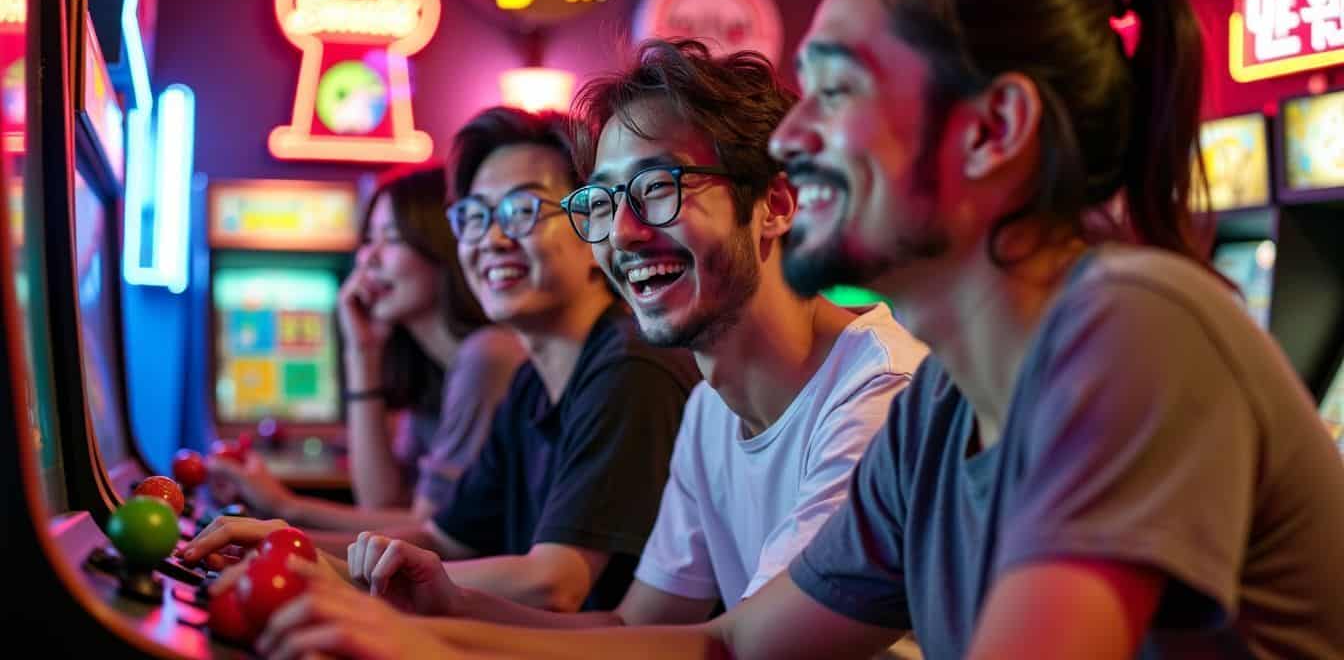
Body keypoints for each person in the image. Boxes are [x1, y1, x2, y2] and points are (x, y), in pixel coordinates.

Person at [252, 0, 1344, 660]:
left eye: (836, 86)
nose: (800, 136)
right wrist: (427, 626)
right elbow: (728, 644)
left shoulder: (1130, 324)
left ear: (994, 130)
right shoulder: (941, 408)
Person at [337, 39, 927, 631]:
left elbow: (738, 648)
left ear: (775, 202)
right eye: (602, 201)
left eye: (658, 189)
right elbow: (637, 628)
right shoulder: (710, 411)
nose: (622, 233)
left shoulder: (881, 396)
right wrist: (449, 604)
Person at [186, 106, 699, 614]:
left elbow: (554, 582)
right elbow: (445, 539)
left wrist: (321, 565)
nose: (492, 241)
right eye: (475, 218)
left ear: (597, 226)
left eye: (522, 211)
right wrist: (287, 540)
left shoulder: (630, 369)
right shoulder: (529, 386)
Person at [205, 166, 525, 532]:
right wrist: (362, 351)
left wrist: (284, 508)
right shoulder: (431, 370)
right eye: (368, 240)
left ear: (444, 246)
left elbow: (427, 531)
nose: (367, 260)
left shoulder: (487, 356)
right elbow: (383, 503)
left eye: (391, 238)